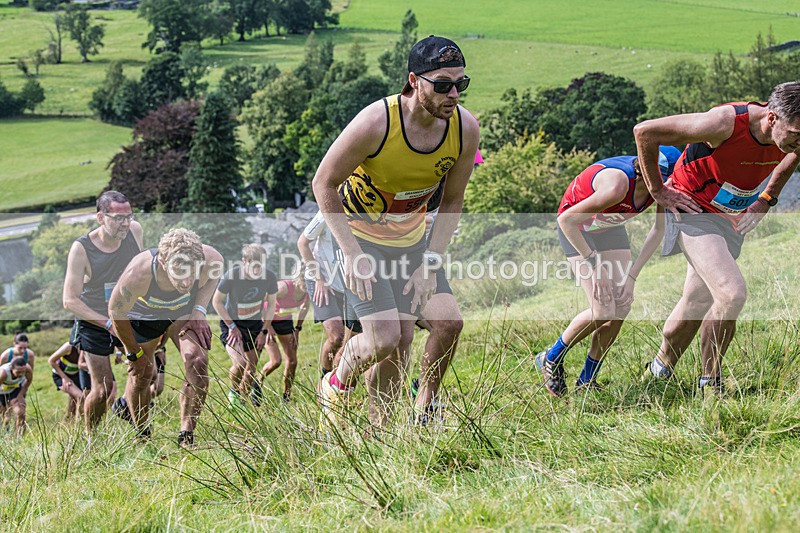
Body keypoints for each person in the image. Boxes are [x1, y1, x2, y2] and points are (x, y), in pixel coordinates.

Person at [312, 35, 480, 427]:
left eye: (461, 84)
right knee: (386, 340)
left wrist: (430, 262)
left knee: (443, 325)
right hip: (360, 239)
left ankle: (401, 421)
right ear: (413, 81)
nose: (453, 94)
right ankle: (334, 383)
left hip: (412, 242)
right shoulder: (376, 122)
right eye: (442, 85)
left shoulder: (464, 129)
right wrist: (352, 256)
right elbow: (324, 183)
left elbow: (452, 201)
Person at [634, 82, 800, 397]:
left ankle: (658, 371)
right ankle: (711, 384)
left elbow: (793, 155)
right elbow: (645, 132)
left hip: (729, 218)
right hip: (692, 208)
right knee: (731, 293)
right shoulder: (723, 123)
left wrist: (768, 197)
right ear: (772, 118)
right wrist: (658, 190)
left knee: (697, 301)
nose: (799, 142)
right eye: (795, 134)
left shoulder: (789, 134)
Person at [534, 146, 681, 397]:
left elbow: (658, 231)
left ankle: (586, 382)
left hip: (608, 225)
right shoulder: (617, 185)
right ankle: (550, 357)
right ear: (646, 172)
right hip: (576, 228)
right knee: (603, 310)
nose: (665, 188)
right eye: (662, 181)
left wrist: (632, 277)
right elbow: (566, 220)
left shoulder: (660, 191)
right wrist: (595, 264)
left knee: (621, 305)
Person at [108, 228, 222, 447]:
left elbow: (214, 273)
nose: (187, 282)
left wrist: (199, 309)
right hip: (145, 316)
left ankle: (186, 436)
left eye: (192, 273)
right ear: (162, 261)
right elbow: (116, 311)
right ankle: (142, 434)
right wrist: (133, 354)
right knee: (143, 374)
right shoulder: (139, 273)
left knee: (198, 361)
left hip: (181, 313)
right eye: (180, 273)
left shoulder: (210, 259)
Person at [63, 191, 143, 432]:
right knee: (103, 388)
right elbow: (69, 300)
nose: (125, 223)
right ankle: (91, 436)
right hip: (94, 321)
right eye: (118, 218)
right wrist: (108, 324)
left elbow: (141, 271)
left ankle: (134, 420)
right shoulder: (82, 248)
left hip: (126, 314)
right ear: (100, 217)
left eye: (128, 216)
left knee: (143, 372)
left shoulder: (135, 231)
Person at [297, 211, 362, 379]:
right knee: (336, 336)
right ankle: (324, 378)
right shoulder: (326, 213)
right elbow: (302, 243)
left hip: (348, 283)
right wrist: (319, 279)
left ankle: (336, 383)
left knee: (350, 341)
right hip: (321, 280)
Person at [212, 243, 278, 408]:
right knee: (240, 363)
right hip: (232, 326)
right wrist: (231, 326)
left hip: (255, 326)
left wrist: (264, 331)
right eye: (254, 266)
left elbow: (271, 305)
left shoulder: (269, 277)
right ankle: (233, 393)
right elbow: (216, 302)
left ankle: (242, 401)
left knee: (252, 367)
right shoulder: (232, 276)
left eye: (260, 266)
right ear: (244, 261)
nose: (257, 270)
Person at [258, 273, 309, 402]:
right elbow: (261, 301)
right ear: (300, 277)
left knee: (292, 362)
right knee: (276, 361)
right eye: (306, 280)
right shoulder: (283, 288)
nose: (309, 284)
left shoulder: (309, 290)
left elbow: (304, 307)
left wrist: (297, 329)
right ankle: (258, 382)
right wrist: (267, 327)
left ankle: (286, 397)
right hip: (266, 321)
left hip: (284, 321)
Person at [49, 341, 91, 422]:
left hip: (76, 376)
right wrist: (64, 378)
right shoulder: (69, 347)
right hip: (60, 376)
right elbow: (51, 360)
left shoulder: (89, 348)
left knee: (74, 399)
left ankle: (69, 422)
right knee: (80, 397)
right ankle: (83, 423)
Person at [0, 357, 33, 436]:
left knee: (20, 413)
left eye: (23, 372)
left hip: (15, 390)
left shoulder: (27, 369)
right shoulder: (3, 373)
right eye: (18, 372)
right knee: (3, 413)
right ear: (11, 368)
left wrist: (20, 395)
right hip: (1, 392)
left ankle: (20, 438)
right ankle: (4, 431)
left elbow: (28, 381)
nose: (21, 374)